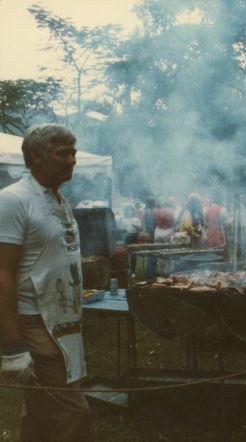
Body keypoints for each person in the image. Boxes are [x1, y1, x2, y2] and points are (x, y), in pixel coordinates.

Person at [0, 124, 95, 441]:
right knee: (72, 413)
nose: (72, 160)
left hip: (63, 321)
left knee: (41, 412)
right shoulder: (13, 200)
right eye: (63, 153)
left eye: (74, 153)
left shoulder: (57, 198)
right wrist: (13, 346)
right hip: (34, 322)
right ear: (36, 157)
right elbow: (3, 273)